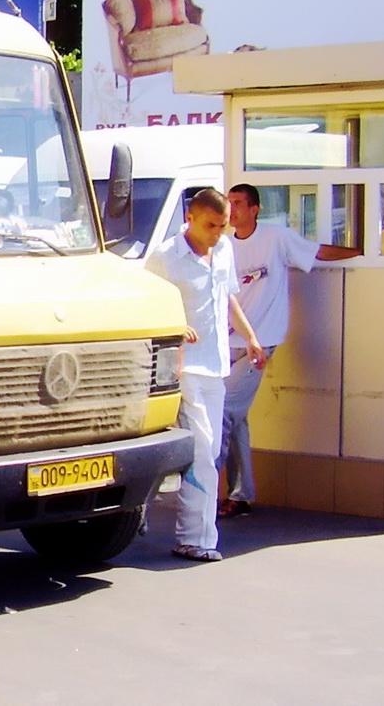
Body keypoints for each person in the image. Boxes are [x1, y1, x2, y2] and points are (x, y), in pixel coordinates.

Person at [216, 183, 361, 518]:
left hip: (260, 343)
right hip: (225, 343)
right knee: (236, 418)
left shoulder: (275, 237)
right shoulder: (222, 245)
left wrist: (365, 252)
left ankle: (203, 492)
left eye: (238, 203)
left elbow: (317, 252)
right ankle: (241, 495)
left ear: (255, 209)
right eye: (229, 203)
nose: (232, 209)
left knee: (223, 411)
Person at [144, 187, 266, 562]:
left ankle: (137, 509)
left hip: (216, 366)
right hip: (184, 368)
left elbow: (227, 298)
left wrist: (250, 337)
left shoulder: (225, 250)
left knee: (210, 450)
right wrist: (175, 326)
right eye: (211, 225)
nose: (218, 233)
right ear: (190, 219)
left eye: (223, 226)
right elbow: (146, 306)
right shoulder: (165, 257)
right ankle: (195, 538)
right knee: (201, 449)